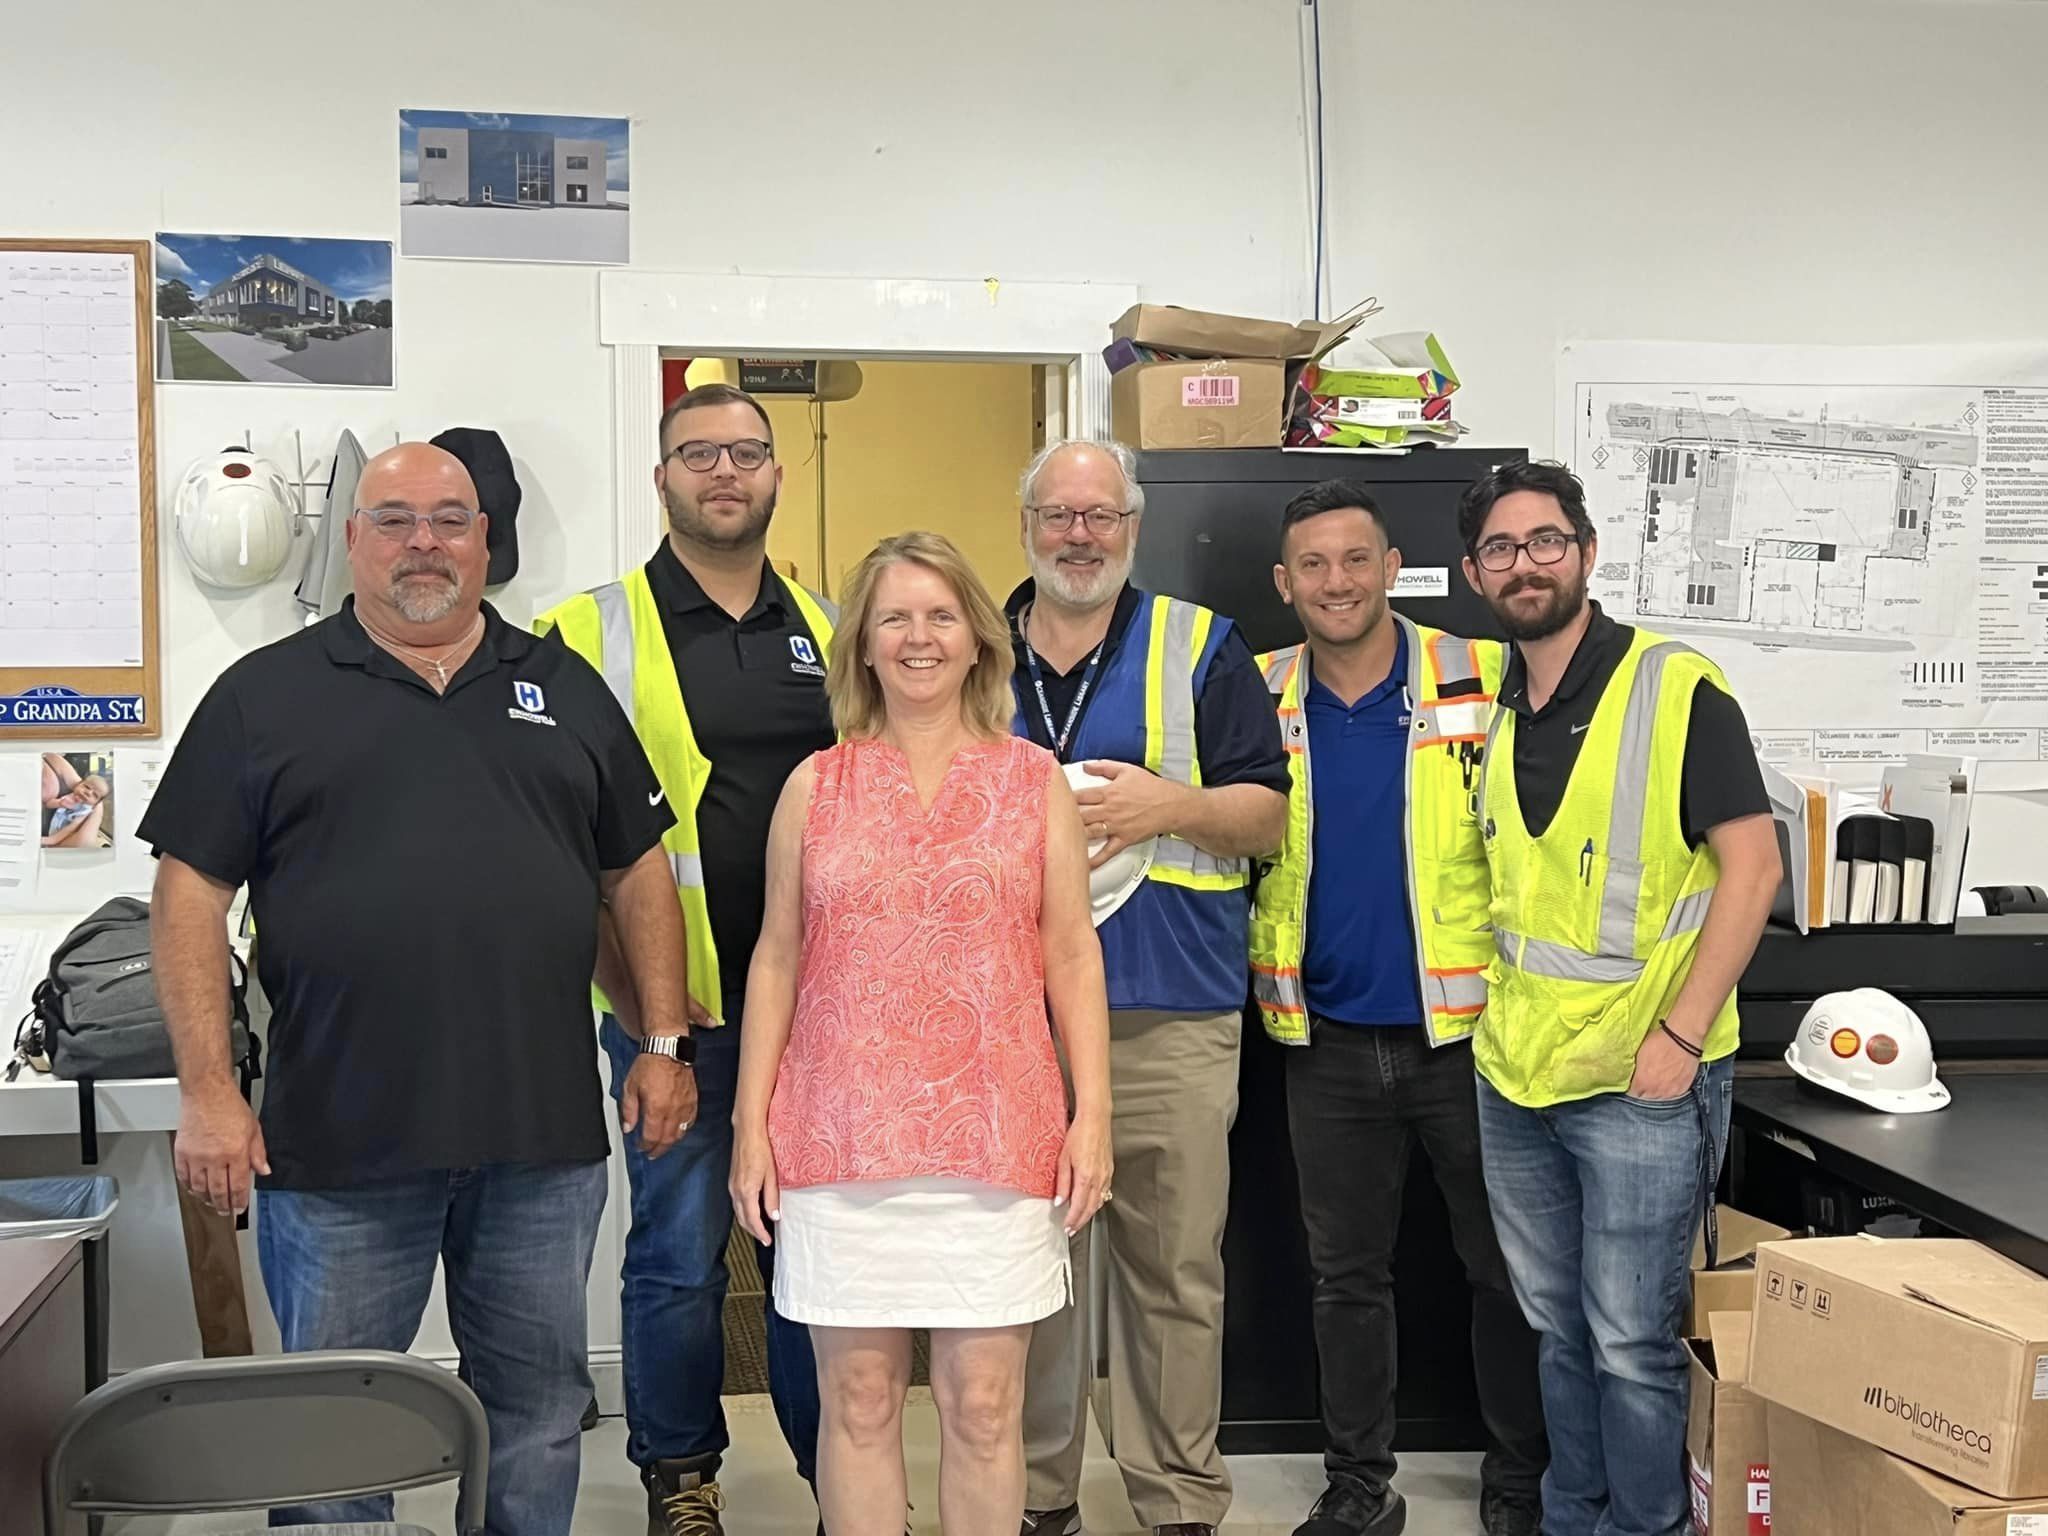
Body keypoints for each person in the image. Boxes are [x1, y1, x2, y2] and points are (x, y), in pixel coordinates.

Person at [142, 441, 693, 1535]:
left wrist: (663, 1042)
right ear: (351, 539)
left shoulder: (562, 686)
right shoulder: (266, 696)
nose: (423, 544)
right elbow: (189, 894)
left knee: (536, 1409)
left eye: (450, 520)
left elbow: (634, 868)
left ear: (486, 542)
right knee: (334, 1431)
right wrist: (208, 1091)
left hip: (538, 1143)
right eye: (393, 520)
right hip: (337, 1146)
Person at [729, 531, 1113, 1536]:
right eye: (894, 617)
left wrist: (1092, 1117)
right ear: (861, 644)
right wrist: (749, 1126)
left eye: (941, 615)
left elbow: (1071, 952)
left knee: (984, 1409)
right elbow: (775, 956)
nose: (918, 637)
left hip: (995, 1144)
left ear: (979, 642)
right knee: (854, 1404)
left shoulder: (1035, 785)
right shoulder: (817, 786)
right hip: (838, 1142)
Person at [1458, 460, 1781, 1536]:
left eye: (1544, 541)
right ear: (1472, 572)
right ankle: (1571, 1516)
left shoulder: (1671, 685)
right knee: (1555, 1328)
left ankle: (1640, 1528)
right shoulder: (1499, 703)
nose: (1524, 564)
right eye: (1500, 549)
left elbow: (1752, 867)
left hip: (1643, 1076)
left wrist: (1681, 1038)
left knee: (1630, 1342)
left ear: (1586, 553)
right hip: (1518, 1073)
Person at [535, 381, 833, 1535]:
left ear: (773, 472)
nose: (724, 471)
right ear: (660, 477)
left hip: (822, 1013)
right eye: (697, 452)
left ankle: (838, 1477)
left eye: (745, 452)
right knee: (676, 1252)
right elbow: (567, 843)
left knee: (819, 1260)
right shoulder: (582, 630)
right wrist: (643, 1002)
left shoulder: (834, 620)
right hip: (682, 1008)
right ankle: (680, 1476)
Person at [1253, 481, 1547, 1536]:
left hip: (1466, 1038)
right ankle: (1356, 1486)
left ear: (1389, 567)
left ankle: (1518, 1483)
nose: (1336, 582)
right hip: (1320, 1039)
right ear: (1285, 584)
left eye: (1354, 560)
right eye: (1313, 566)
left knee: (1501, 1275)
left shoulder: (1480, 673)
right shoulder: (1255, 692)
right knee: (1343, 1282)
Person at [1011, 439, 1289, 1536]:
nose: (1078, 535)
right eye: (1057, 514)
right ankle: (1036, 1499)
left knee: (1173, 1276)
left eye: (1101, 515)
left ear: (1132, 525)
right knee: (1031, 1281)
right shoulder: (972, 651)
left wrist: (1162, 806)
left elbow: (1264, 816)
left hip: (1172, 1012)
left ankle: (1177, 1503)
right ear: (1025, 522)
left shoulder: (1199, 648)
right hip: (1014, 1027)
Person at [41, 755, 110, 848]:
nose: (88, 792)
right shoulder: (72, 796)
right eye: (86, 787)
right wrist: (59, 803)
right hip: (52, 829)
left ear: (95, 804)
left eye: (95, 795)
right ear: (78, 784)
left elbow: (69, 829)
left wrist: (52, 840)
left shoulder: (84, 811)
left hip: (64, 836)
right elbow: (48, 804)